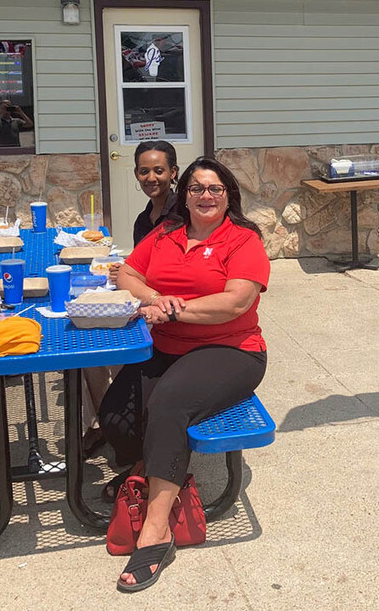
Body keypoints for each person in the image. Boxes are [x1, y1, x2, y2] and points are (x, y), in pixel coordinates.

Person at [99, 157, 269, 592]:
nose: (206, 196)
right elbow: (128, 275)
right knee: (115, 412)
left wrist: (172, 309)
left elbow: (235, 303)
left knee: (168, 405)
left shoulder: (243, 240)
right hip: (166, 345)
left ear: (228, 194)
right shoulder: (166, 232)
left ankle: (156, 531)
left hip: (229, 350)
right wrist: (155, 297)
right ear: (185, 194)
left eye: (215, 188)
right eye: (197, 189)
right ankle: (148, 468)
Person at [82, 141, 180, 455]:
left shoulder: (182, 214)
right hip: (142, 300)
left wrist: (135, 279)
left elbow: (177, 271)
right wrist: (126, 272)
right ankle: (101, 423)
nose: (151, 177)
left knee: (107, 349)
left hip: (168, 310)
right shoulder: (143, 219)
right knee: (89, 346)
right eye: (144, 171)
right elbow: (142, 264)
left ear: (173, 173)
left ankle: (125, 425)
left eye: (159, 170)